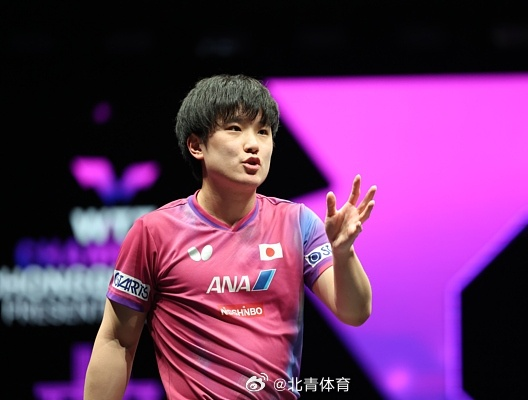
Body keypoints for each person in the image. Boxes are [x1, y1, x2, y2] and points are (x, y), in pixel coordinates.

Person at [83, 74, 377, 399]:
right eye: (235, 128)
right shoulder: (154, 232)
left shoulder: (298, 223)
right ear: (196, 146)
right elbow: (117, 340)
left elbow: (355, 312)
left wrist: (343, 252)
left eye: (263, 132)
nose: (253, 144)